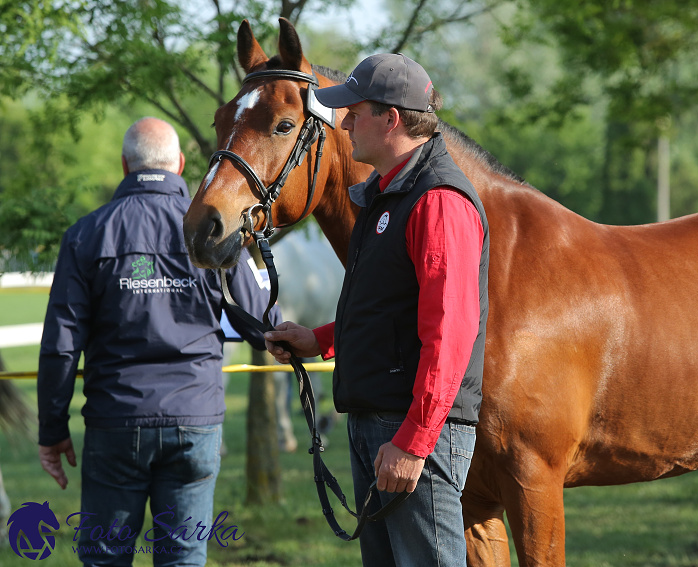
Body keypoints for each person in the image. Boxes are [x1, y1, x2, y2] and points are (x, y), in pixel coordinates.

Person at [264, 53, 489, 566]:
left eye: (354, 112)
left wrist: (413, 442)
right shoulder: (388, 194)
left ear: (391, 119)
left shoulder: (438, 201)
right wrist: (320, 340)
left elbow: (450, 334)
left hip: (411, 433)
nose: (343, 123)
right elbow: (388, 306)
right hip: (382, 423)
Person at [37, 117, 279, 566]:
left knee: (106, 558)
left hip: (115, 419)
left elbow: (61, 346)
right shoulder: (216, 228)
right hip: (194, 419)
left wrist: (52, 432)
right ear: (181, 164)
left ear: (124, 164)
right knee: (183, 558)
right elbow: (262, 326)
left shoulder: (86, 235)